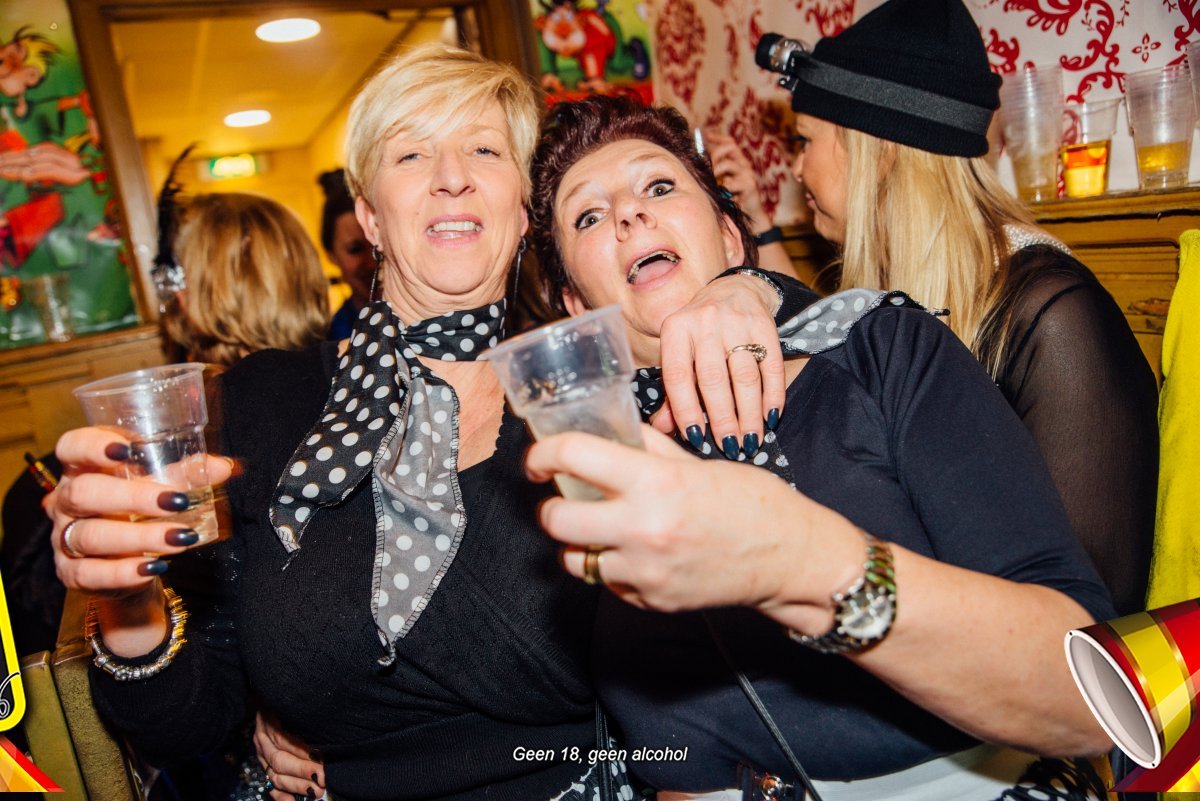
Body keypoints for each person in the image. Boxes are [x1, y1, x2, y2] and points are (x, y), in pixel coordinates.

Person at [44, 45, 781, 801]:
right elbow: (186, 724)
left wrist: (751, 286)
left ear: (524, 212)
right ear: (369, 216)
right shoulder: (262, 403)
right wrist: (127, 605)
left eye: (485, 150)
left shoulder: (586, 394)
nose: (451, 176)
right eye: (411, 153)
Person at [524, 93, 1114, 799]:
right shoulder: (586, 462)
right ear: (575, 307)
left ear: (731, 240)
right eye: (588, 216)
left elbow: (1088, 695)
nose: (627, 213)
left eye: (658, 186)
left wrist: (800, 562)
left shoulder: (883, 351)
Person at [767, 0, 1157, 616]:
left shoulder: (1053, 319)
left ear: (877, 152)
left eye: (805, 140)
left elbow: (1092, 620)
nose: (795, 167)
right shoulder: (881, 298)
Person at [317, 169, 375, 340]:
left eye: (377, 244)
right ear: (332, 256)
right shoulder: (333, 339)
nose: (372, 262)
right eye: (355, 249)